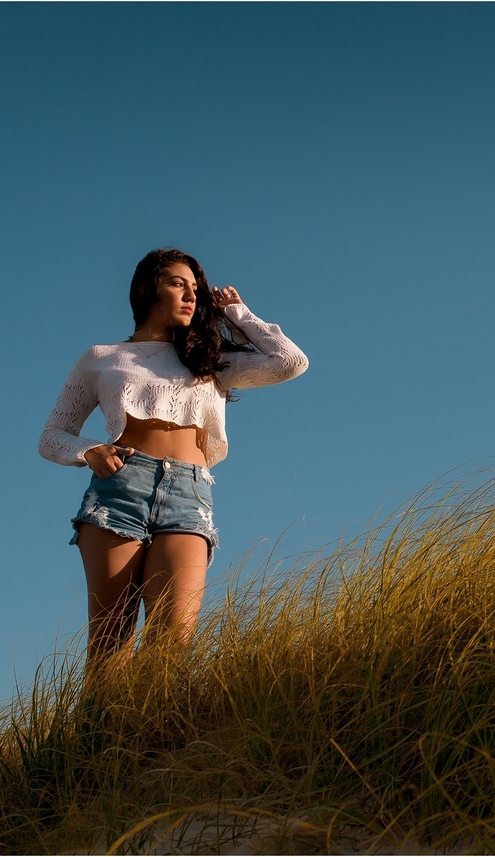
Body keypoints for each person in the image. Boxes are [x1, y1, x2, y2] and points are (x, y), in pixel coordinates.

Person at [39, 247, 308, 669]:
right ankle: (97, 736)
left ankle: (152, 736)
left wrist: (237, 311)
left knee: (171, 646)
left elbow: (289, 362)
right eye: (177, 284)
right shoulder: (101, 358)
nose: (191, 296)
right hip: (120, 488)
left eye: (196, 289)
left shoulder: (209, 359)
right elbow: (52, 435)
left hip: (188, 492)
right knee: (110, 640)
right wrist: (90, 451)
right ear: (149, 289)